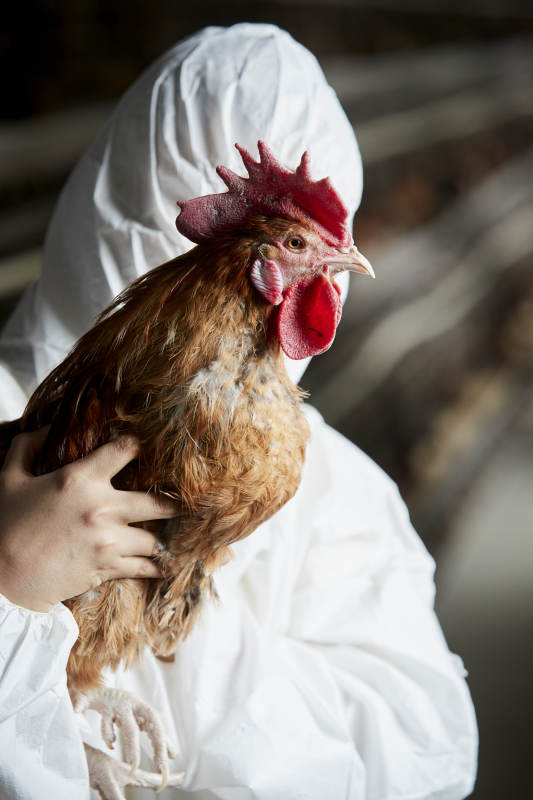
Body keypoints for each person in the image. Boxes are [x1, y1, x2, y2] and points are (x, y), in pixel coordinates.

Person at [0, 23, 478, 800]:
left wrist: (181, 648)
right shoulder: (19, 428)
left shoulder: (326, 482)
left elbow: (427, 752)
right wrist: (9, 588)